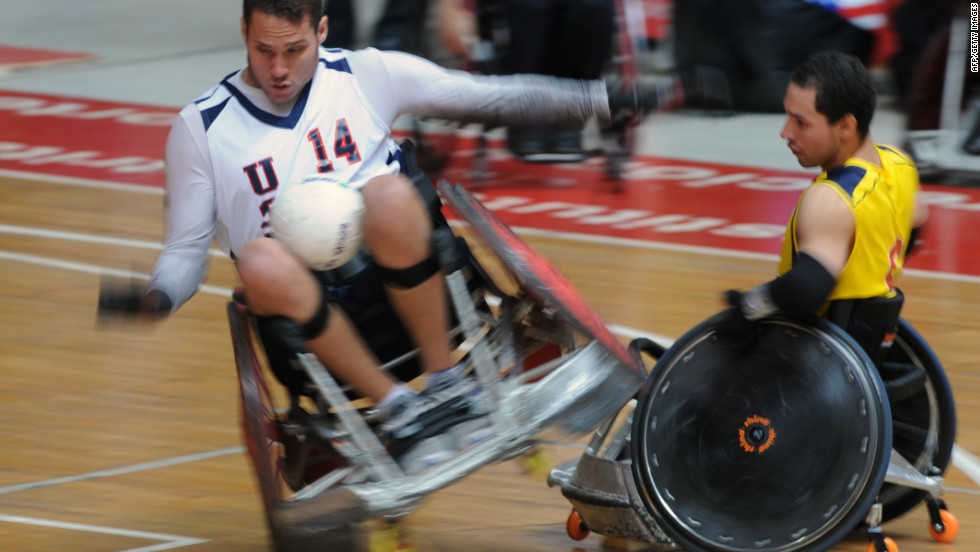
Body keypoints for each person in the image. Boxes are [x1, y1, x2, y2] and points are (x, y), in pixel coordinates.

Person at [100, 0, 711, 474]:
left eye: (293, 48)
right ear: (242, 33)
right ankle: (401, 409)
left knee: (389, 193)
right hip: (311, 335)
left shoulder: (366, 75)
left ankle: (446, 387)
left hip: (417, 290)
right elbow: (184, 251)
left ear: (321, 29)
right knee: (257, 258)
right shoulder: (199, 128)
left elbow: (492, 98)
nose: (280, 69)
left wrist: (612, 99)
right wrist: (158, 296)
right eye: (264, 51)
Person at [725, 50, 929, 364]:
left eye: (801, 122)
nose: (785, 132)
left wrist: (748, 306)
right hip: (870, 347)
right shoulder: (901, 164)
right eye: (788, 115)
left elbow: (807, 287)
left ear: (846, 126)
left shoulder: (831, 198)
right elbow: (913, 232)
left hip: (814, 360)